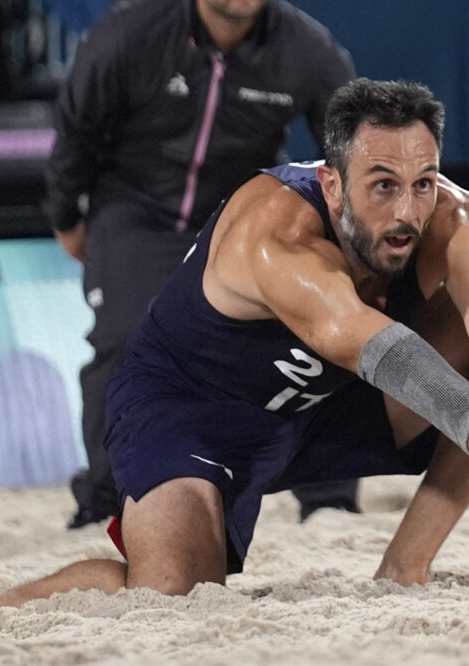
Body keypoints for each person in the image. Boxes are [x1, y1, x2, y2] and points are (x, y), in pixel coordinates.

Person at [0, 78, 469, 610]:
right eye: (382, 186)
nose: (408, 211)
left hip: (326, 402)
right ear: (332, 182)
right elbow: (436, 390)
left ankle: (404, 566)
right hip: (194, 413)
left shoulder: (455, 217)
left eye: (423, 183)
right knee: (168, 596)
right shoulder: (280, 236)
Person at [43, 0, 359, 528]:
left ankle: (329, 503)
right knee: (124, 339)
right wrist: (67, 218)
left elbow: (356, 146)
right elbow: (75, 130)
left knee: (323, 325)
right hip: (136, 213)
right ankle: (102, 504)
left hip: (238, 220)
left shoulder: (309, 49)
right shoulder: (128, 33)